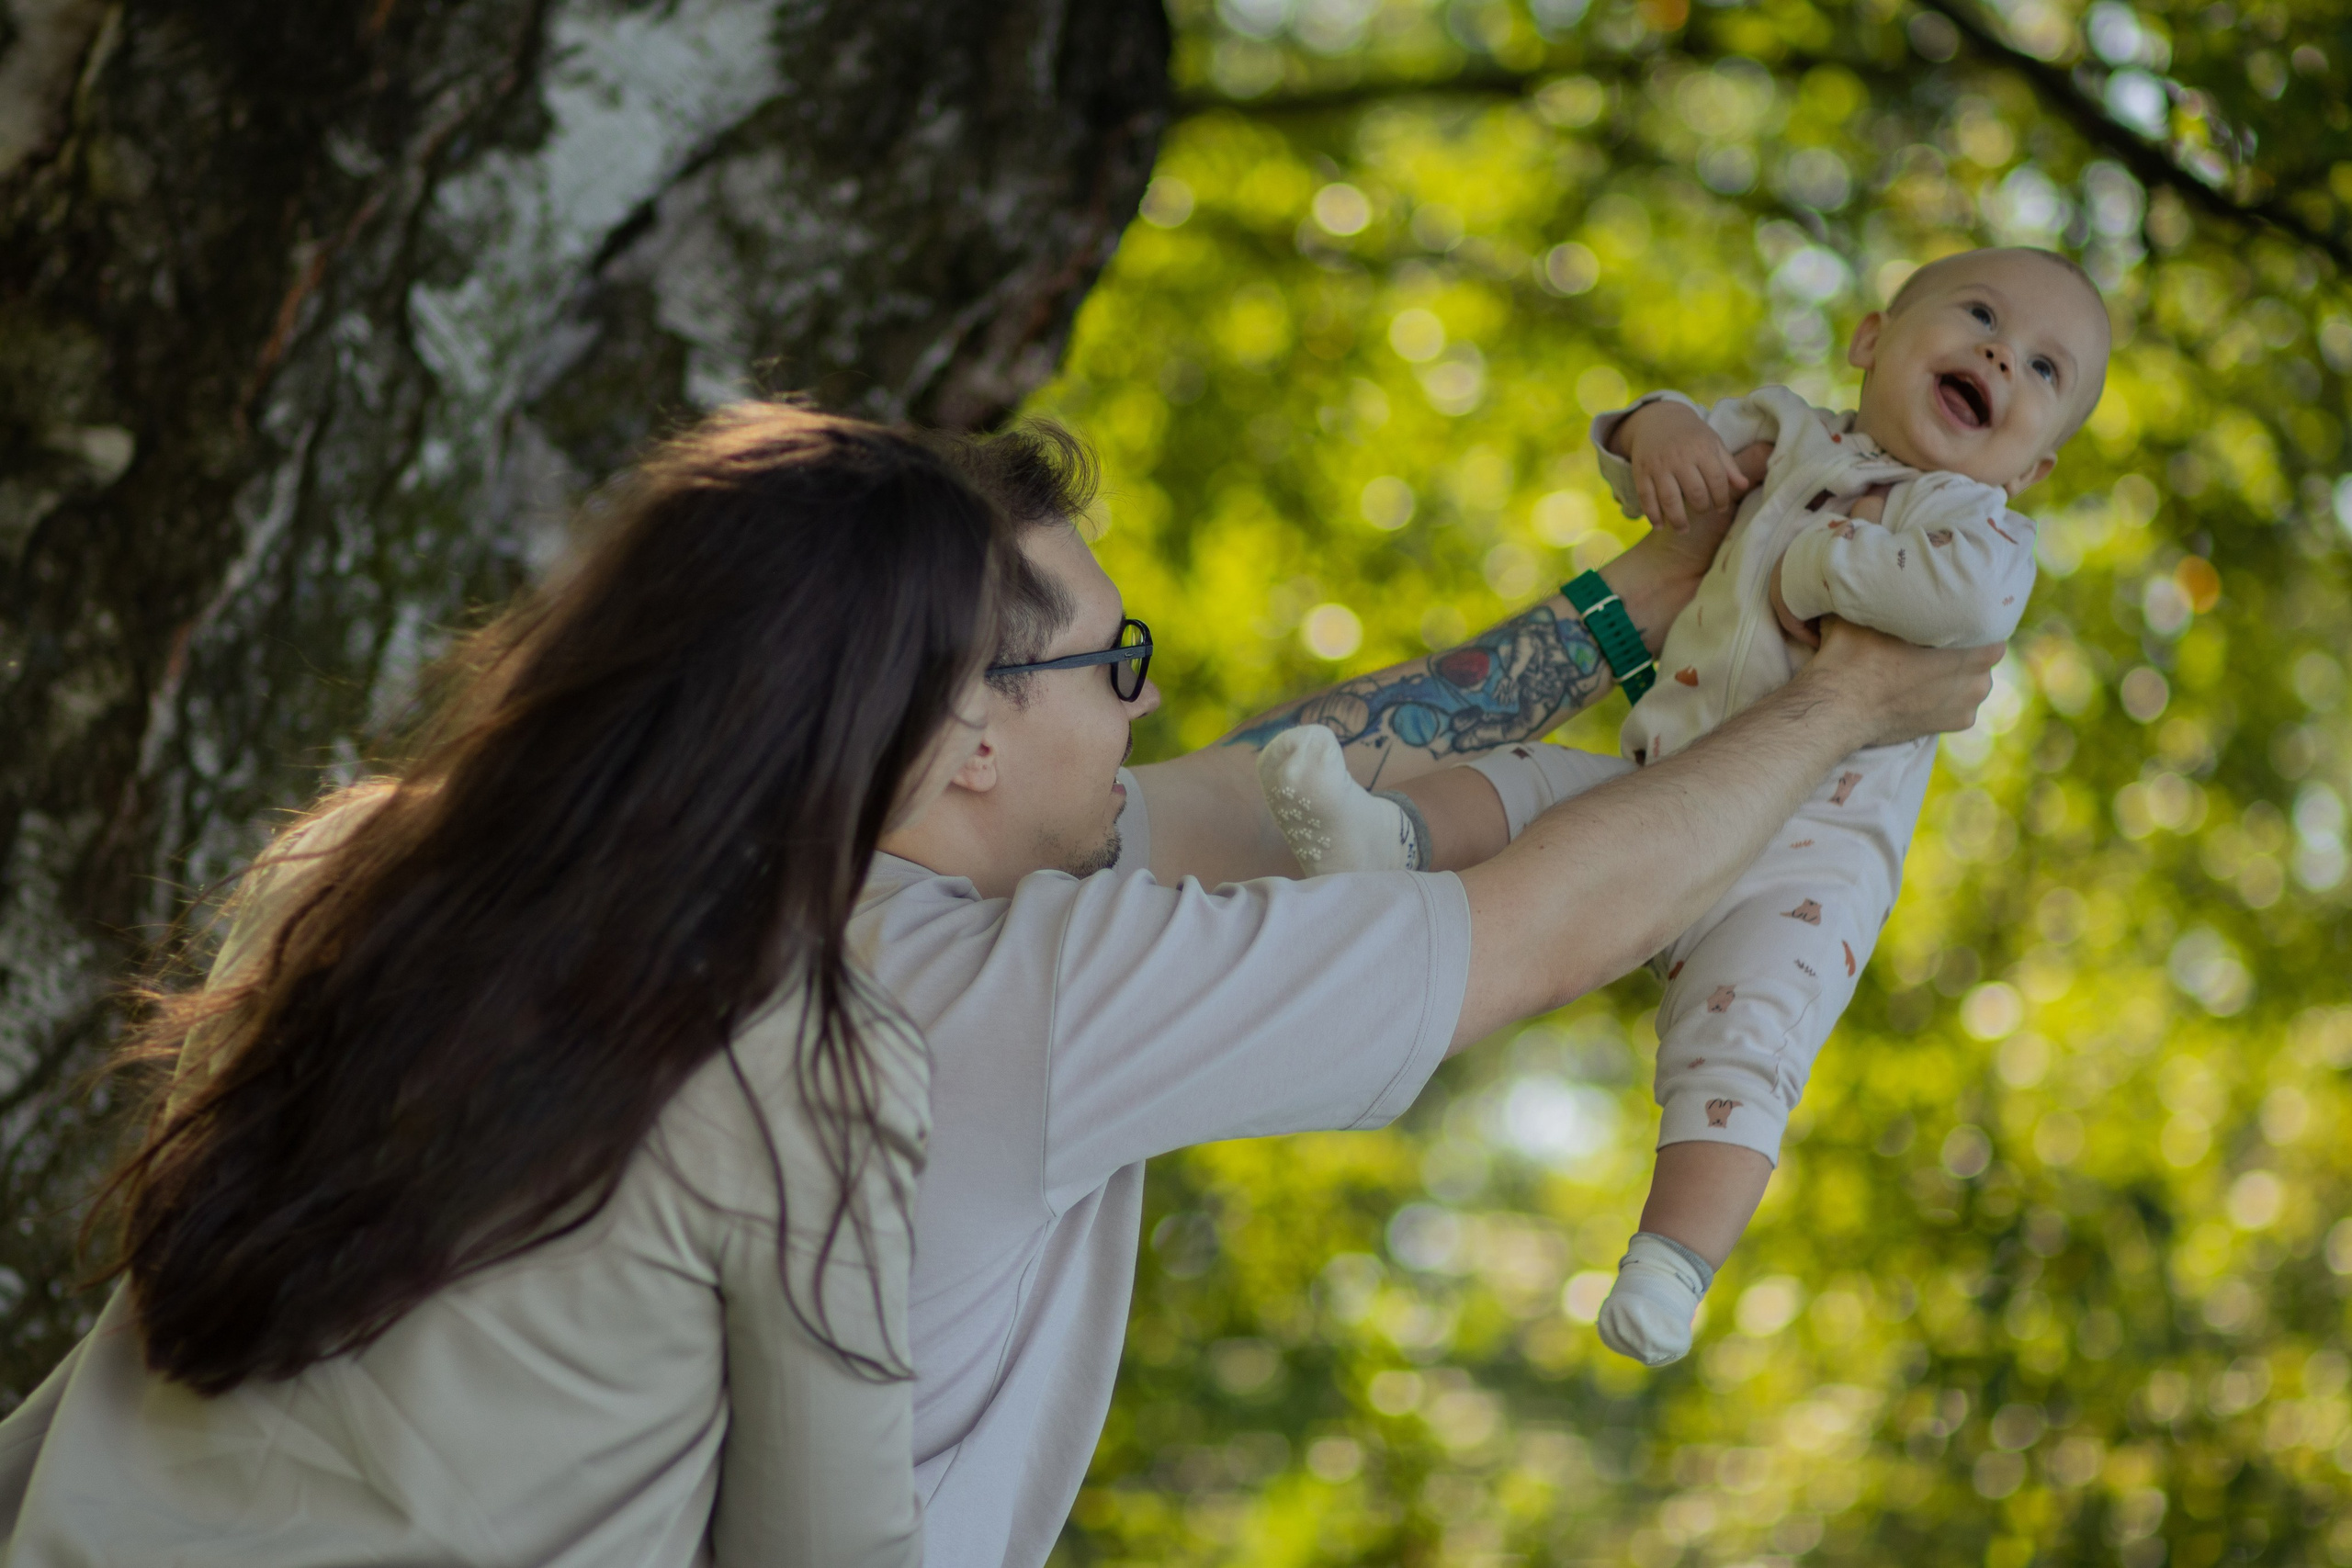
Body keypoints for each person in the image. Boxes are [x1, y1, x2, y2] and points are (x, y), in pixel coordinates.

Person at [859, 422, 2002, 1566]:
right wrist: (1847, 704)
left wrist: (1651, 593)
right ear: (971, 741)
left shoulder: (863, 900)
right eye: (1113, 660)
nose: (1145, 699)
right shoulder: (1009, 997)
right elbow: (1534, 933)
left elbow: (1256, 792)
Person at [0, 404, 1026, 1567]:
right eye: (976, 681)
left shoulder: (336, 866)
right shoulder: (803, 1058)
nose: (984, 731)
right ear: (857, 708)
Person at [1254, 246, 2112, 1369]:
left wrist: (1812, 565)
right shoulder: (1791, 433)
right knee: (1524, 782)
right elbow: (1653, 438)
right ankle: (1390, 839)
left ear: (2035, 466)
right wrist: (1656, 431)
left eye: (2043, 367)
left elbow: (1961, 600)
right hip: (1656, 780)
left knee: (1743, 1047)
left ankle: (1671, 1261)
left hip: (1806, 865)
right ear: (1868, 341)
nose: (2003, 353)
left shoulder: (1979, 525)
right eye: (1981, 315)